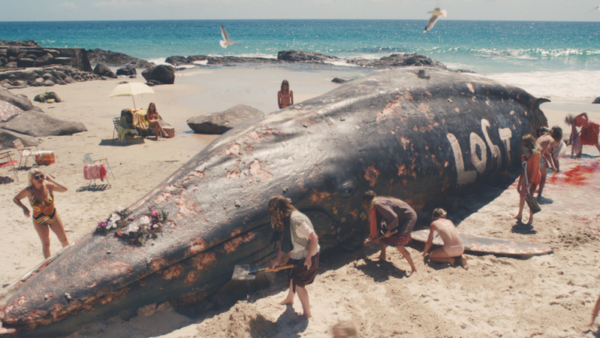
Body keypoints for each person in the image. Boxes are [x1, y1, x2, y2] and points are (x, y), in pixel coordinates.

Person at [269, 196, 320, 318]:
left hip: (308, 255)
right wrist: (277, 260)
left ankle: (307, 313)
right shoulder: (286, 220)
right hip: (297, 254)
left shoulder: (296, 220)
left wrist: (308, 259)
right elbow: (284, 240)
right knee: (292, 276)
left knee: (299, 284)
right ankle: (290, 299)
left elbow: (314, 238)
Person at [13, 169, 70, 259]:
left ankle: (69, 256)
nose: (40, 179)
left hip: (53, 216)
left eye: (41, 176)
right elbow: (16, 199)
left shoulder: (48, 186)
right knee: (46, 244)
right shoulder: (29, 191)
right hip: (39, 220)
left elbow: (65, 189)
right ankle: (47, 265)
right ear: (31, 179)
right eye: (36, 177)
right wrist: (24, 208)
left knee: (63, 239)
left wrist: (51, 180)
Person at [362, 190, 417, 275]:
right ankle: (382, 256)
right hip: (400, 217)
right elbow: (377, 224)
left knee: (399, 246)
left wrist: (389, 231)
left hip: (407, 218)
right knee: (382, 232)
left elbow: (393, 217)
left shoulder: (378, 204)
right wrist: (370, 237)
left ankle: (414, 269)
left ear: (365, 202)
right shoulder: (377, 204)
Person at [515, 135, 541, 224]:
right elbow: (524, 168)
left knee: (530, 197)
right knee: (522, 195)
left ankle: (531, 218)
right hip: (526, 175)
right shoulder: (528, 152)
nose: (523, 145)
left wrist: (531, 182)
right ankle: (520, 214)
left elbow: (534, 169)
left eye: (524, 143)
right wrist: (519, 183)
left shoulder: (536, 153)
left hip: (533, 176)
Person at [536, 126, 562, 199]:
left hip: (531, 156)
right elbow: (547, 154)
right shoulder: (552, 140)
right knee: (543, 176)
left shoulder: (543, 136)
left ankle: (525, 191)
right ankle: (539, 195)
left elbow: (542, 151)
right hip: (538, 158)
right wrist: (553, 166)